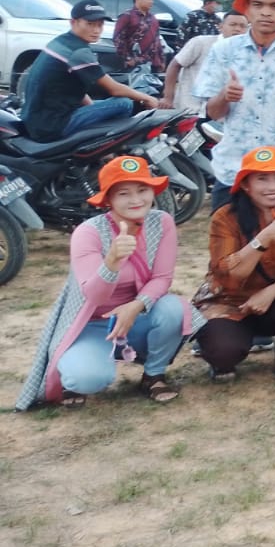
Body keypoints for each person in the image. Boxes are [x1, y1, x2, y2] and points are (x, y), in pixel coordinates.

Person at [16, 157, 198, 410]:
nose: (136, 200)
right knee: (87, 379)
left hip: (139, 316)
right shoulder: (88, 232)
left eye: (142, 190)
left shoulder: (162, 221)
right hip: (94, 324)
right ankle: (76, 368)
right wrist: (112, 261)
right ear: (108, 199)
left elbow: (162, 278)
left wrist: (135, 306)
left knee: (175, 309)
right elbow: (95, 296)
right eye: (124, 193)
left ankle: (153, 375)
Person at [192, 146, 275, 382]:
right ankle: (219, 349)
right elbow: (229, 275)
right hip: (231, 302)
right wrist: (262, 240)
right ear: (245, 185)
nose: (273, 187)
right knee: (223, 353)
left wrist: (271, 292)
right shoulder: (224, 217)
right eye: (262, 179)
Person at [192, 0, 275, 209]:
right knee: (227, 232)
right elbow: (213, 113)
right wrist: (224, 96)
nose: (266, 12)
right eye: (258, 5)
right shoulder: (223, 51)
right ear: (246, 10)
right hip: (234, 167)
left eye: (274, 6)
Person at [21, 0, 159, 141]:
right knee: (124, 103)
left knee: (107, 104)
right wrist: (147, 98)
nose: (96, 30)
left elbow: (74, 88)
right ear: (73, 22)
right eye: (90, 24)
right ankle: (106, 147)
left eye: (100, 25)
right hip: (53, 125)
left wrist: (93, 109)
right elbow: (114, 89)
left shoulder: (61, 42)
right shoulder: (78, 51)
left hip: (36, 119)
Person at [160, 11, 247, 112]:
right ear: (221, 27)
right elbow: (174, 65)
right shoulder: (201, 43)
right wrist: (168, 98)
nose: (237, 29)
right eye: (233, 24)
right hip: (190, 109)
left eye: (242, 26)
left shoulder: (247, 53)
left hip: (220, 113)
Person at [113, 0, 165, 72]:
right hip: (134, 63)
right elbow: (118, 39)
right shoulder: (127, 16)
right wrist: (128, 58)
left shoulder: (153, 18)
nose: (151, 2)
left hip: (152, 63)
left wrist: (161, 60)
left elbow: (157, 40)